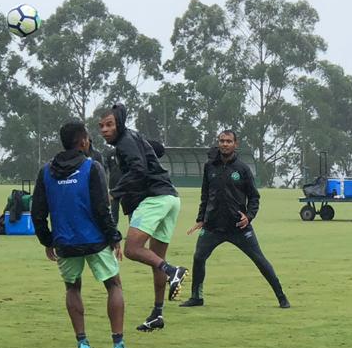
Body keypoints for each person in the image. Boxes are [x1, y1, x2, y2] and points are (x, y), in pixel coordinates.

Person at [30, 120, 131, 348]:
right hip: (95, 241)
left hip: (65, 243)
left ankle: (83, 343)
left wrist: (47, 240)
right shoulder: (91, 167)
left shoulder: (45, 171)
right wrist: (114, 236)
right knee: (114, 285)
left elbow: (37, 212)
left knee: (72, 288)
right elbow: (101, 207)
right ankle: (118, 346)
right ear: (83, 141)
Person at [97, 104, 189, 332]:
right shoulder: (131, 138)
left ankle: (173, 271)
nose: (104, 130)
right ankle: (157, 314)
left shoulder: (124, 142)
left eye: (109, 125)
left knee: (132, 250)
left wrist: (114, 193)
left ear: (119, 123)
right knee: (154, 258)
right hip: (170, 198)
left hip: (154, 199)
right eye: (101, 126)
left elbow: (138, 170)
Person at [179, 129, 290, 309]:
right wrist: (201, 219)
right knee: (199, 257)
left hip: (239, 227)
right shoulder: (210, 167)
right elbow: (205, 195)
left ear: (235, 144)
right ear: (218, 143)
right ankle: (196, 297)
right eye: (222, 141)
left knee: (260, 260)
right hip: (213, 226)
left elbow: (254, 197)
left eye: (228, 141)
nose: (224, 144)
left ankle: (282, 297)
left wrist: (249, 216)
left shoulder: (242, 169)